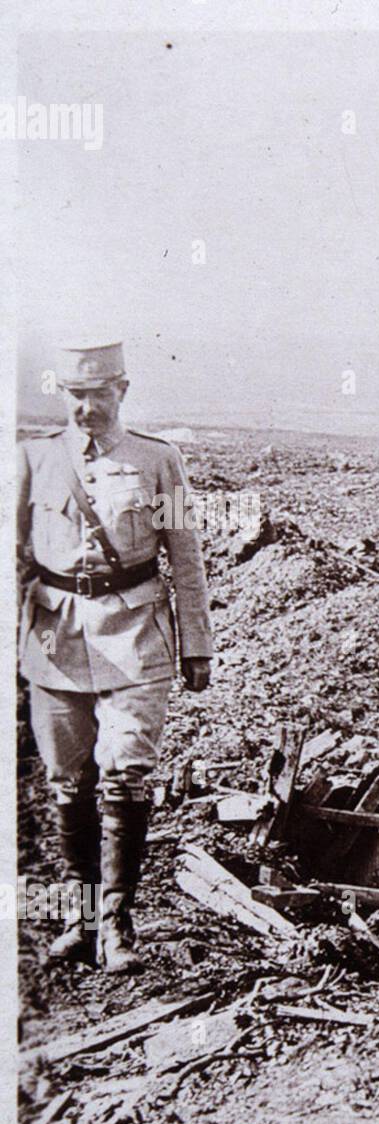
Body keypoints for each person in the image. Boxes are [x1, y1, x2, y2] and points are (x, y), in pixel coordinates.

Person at [17, 340, 214, 973]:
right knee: (69, 783)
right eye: (76, 396)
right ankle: (81, 917)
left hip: (136, 639)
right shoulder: (34, 458)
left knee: (126, 774)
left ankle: (118, 928)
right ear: (63, 396)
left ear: (121, 392)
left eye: (99, 395)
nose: (86, 408)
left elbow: (186, 558)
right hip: (55, 643)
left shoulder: (161, 462)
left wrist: (197, 645)